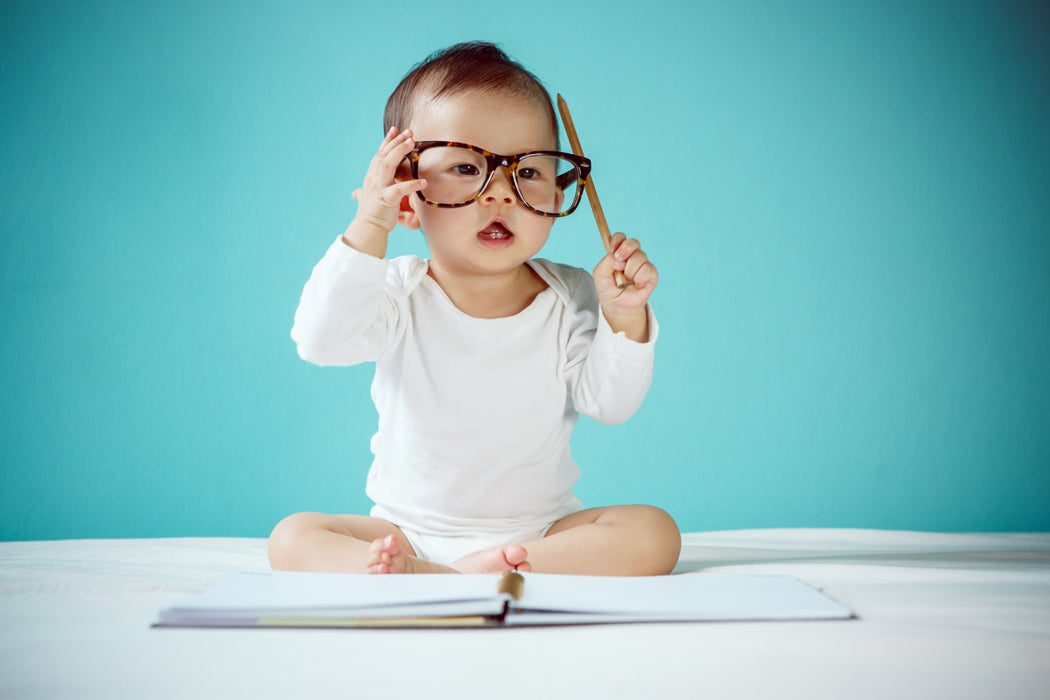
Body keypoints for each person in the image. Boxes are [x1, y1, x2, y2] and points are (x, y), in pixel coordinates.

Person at [268, 42, 680, 576]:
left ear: (558, 195)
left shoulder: (574, 294)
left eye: (529, 172)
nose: (502, 193)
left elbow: (612, 404)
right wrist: (370, 224)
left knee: (654, 532)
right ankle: (442, 572)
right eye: (466, 167)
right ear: (407, 196)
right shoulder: (395, 289)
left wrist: (624, 316)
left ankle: (470, 574)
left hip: (540, 536)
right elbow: (321, 342)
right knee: (293, 537)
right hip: (408, 535)